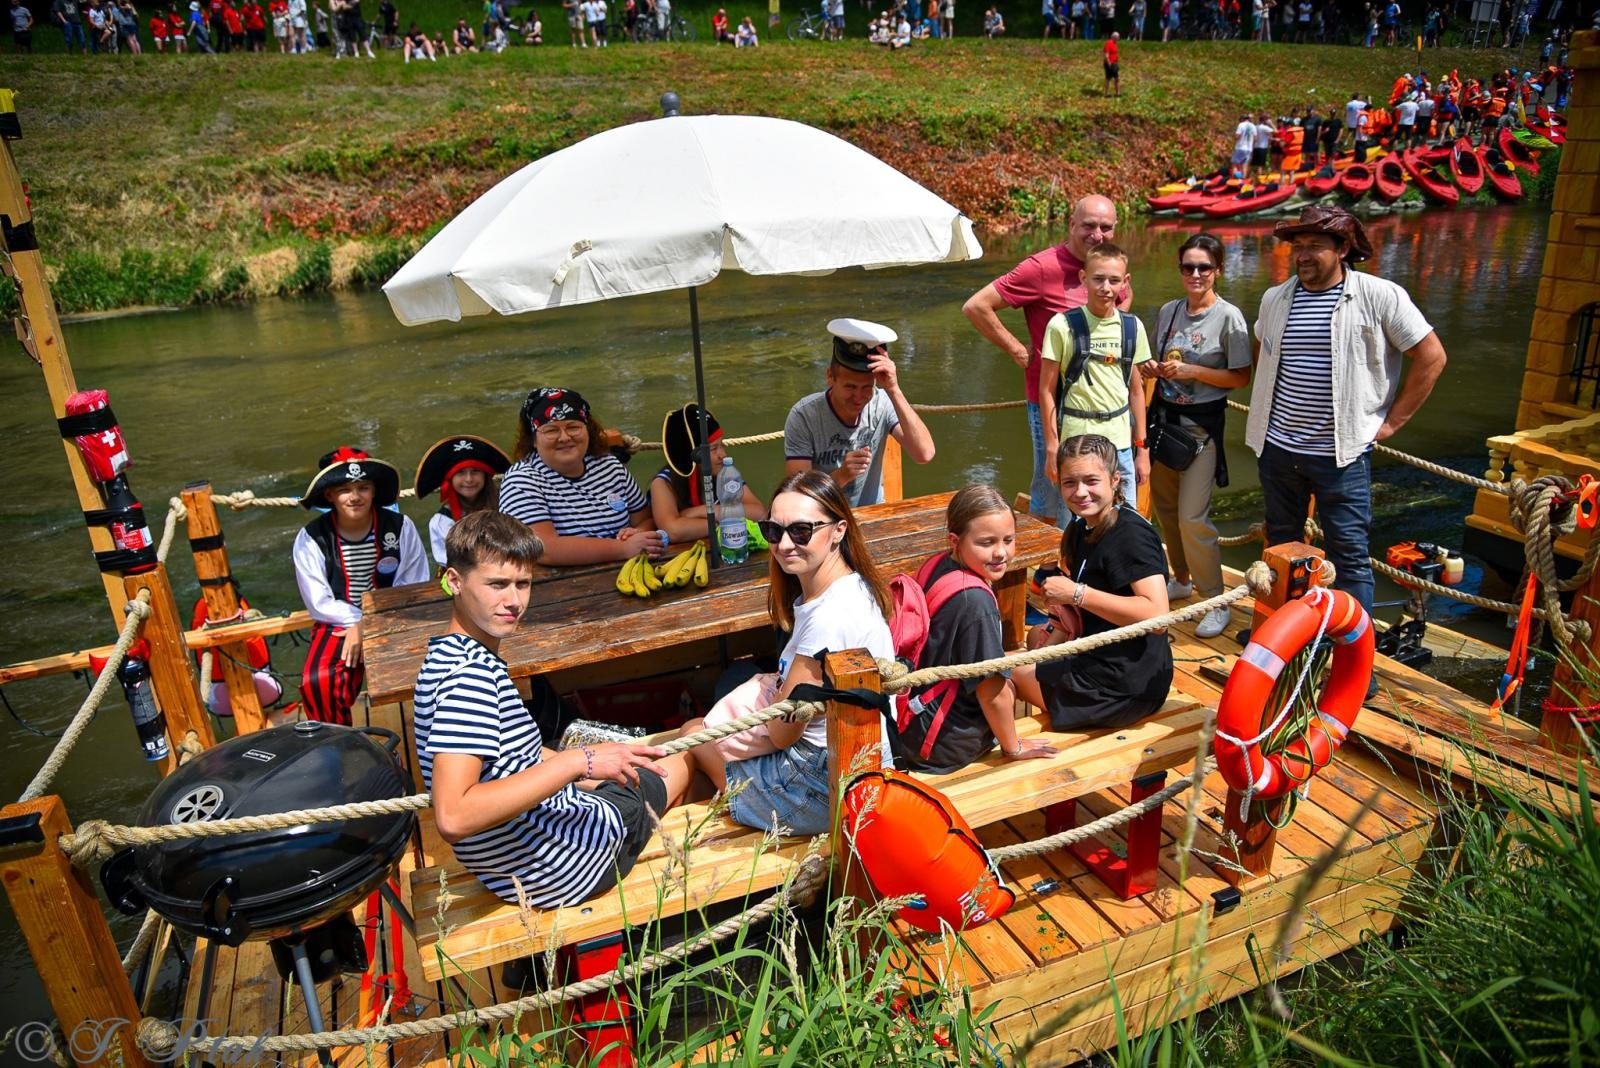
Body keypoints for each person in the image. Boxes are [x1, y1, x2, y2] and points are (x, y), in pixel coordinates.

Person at [417, 511, 693, 908]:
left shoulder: (444, 657)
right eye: (497, 584)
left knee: (638, 772)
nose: (514, 601)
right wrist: (578, 761)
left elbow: (514, 760)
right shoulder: (470, 679)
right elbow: (453, 815)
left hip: (516, 869)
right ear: (455, 581)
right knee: (693, 744)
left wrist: (591, 766)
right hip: (569, 867)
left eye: (523, 583)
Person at [1248, 205, 1448, 638]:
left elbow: (1432, 356)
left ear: (1342, 249)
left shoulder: (1379, 296)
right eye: (1298, 246)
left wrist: (1391, 424)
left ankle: (1352, 657)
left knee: (1349, 557)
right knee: (1280, 547)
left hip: (1341, 454)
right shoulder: (1275, 298)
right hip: (1278, 448)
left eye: (1315, 246)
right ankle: (1278, 642)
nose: (1303, 255)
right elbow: (1262, 345)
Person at [682, 471, 894, 836]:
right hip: (856, 760)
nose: (783, 544)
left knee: (691, 738)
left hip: (822, 783)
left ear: (838, 530)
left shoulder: (828, 619)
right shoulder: (851, 586)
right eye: (773, 531)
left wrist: (770, 697)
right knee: (696, 754)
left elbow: (782, 736)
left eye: (800, 531)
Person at [964, 194, 1132, 524]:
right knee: (1052, 487)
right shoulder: (1041, 268)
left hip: (1102, 404)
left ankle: (1093, 549)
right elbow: (977, 306)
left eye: (1106, 227)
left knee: (1100, 487)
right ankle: (1048, 552)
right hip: (1052, 402)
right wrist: (1017, 350)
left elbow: (1125, 300)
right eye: (1088, 225)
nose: (1097, 234)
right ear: (1072, 225)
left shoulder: (1109, 265)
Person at [891, 486, 1059, 773]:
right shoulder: (975, 602)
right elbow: (990, 690)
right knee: (1011, 681)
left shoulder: (936, 564)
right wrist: (1014, 747)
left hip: (912, 722)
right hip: (945, 745)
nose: (1001, 552)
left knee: (1016, 671)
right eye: (986, 542)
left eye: (1008, 540)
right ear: (955, 541)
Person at [1013, 434, 1173, 731]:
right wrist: (1046, 651)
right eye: (1069, 483)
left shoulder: (1131, 536)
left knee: (1012, 674)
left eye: (1091, 481)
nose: (1080, 492)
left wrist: (1077, 594)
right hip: (1099, 654)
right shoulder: (1079, 529)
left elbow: (1158, 617)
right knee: (1035, 638)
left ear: (1114, 480)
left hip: (1127, 687)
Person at [1144, 234, 1250, 639]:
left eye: (1204, 267)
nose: (1195, 274)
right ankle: (1182, 578)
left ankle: (1215, 599)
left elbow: (1240, 377)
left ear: (1217, 270)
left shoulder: (1229, 318)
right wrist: (1152, 369)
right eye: (1188, 266)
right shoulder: (1170, 311)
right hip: (1164, 424)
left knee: (1192, 517)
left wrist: (1193, 372)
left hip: (1202, 429)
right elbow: (1156, 360)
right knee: (1167, 511)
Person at [293, 448, 429, 725]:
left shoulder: (400, 526)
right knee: (318, 682)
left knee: (432, 667)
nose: (355, 497)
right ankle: (338, 740)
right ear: (329, 495)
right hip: (339, 619)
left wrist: (369, 623)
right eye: (344, 490)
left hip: (396, 613)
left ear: (374, 491)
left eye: (363, 488)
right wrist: (357, 622)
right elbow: (319, 601)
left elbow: (413, 584)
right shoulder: (311, 537)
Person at [498, 387, 667, 566]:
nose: (564, 437)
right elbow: (543, 549)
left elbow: (646, 519)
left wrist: (638, 533)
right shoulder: (521, 480)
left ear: (588, 430)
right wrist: (623, 548)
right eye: (551, 430)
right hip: (560, 582)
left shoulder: (610, 466)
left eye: (573, 427)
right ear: (533, 439)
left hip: (632, 570)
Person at [1038, 242, 1151, 503]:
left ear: (1125, 282)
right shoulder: (1061, 326)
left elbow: (1136, 391)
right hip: (1076, 443)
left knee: (1125, 518)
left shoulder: (1132, 327)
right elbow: (1046, 390)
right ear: (1083, 278)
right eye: (1098, 279)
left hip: (1120, 445)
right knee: (1076, 517)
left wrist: (1142, 451)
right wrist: (1052, 446)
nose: (1106, 288)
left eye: (1114, 280)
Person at [783, 319, 936, 509]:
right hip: (823, 514)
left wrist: (894, 389)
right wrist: (841, 476)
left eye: (866, 387)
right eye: (850, 387)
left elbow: (924, 454)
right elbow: (798, 496)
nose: (858, 397)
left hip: (872, 511)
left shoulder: (882, 403)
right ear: (830, 377)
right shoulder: (804, 415)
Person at [650, 403, 767, 543]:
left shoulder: (724, 472)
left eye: (722, 445)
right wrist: (730, 520)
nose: (723, 455)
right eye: (713, 449)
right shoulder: (663, 483)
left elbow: (759, 512)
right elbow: (673, 530)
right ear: (692, 455)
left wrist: (707, 511)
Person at [414, 436, 511, 569]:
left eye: (475, 471)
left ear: (486, 475)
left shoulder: (506, 504)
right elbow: (450, 562)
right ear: (450, 479)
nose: (469, 479)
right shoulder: (442, 521)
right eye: (460, 472)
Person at [1231, 112, 1255, 178]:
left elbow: (1237, 136)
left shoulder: (1241, 125)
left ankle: (1234, 179)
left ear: (1242, 119)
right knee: (1244, 164)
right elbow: (1255, 138)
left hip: (1240, 147)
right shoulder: (1253, 126)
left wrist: (1235, 136)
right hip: (1249, 149)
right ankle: (1244, 178)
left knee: (1235, 164)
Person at [1251, 112, 1275, 178]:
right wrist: (1271, 123)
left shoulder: (1255, 127)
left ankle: (1252, 177)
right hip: (1262, 148)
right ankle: (1259, 178)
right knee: (1260, 165)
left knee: (1255, 164)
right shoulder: (1264, 128)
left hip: (1256, 147)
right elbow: (1276, 131)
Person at [1103, 31, 1119, 97]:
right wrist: (1109, 63)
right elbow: (1106, 55)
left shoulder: (1115, 44)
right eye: (1117, 37)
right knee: (1108, 79)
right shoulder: (1109, 43)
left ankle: (1117, 93)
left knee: (1117, 78)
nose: (1118, 38)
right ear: (1113, 37)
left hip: (1114, 63)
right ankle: (1106, 93)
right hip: (1110, 64)